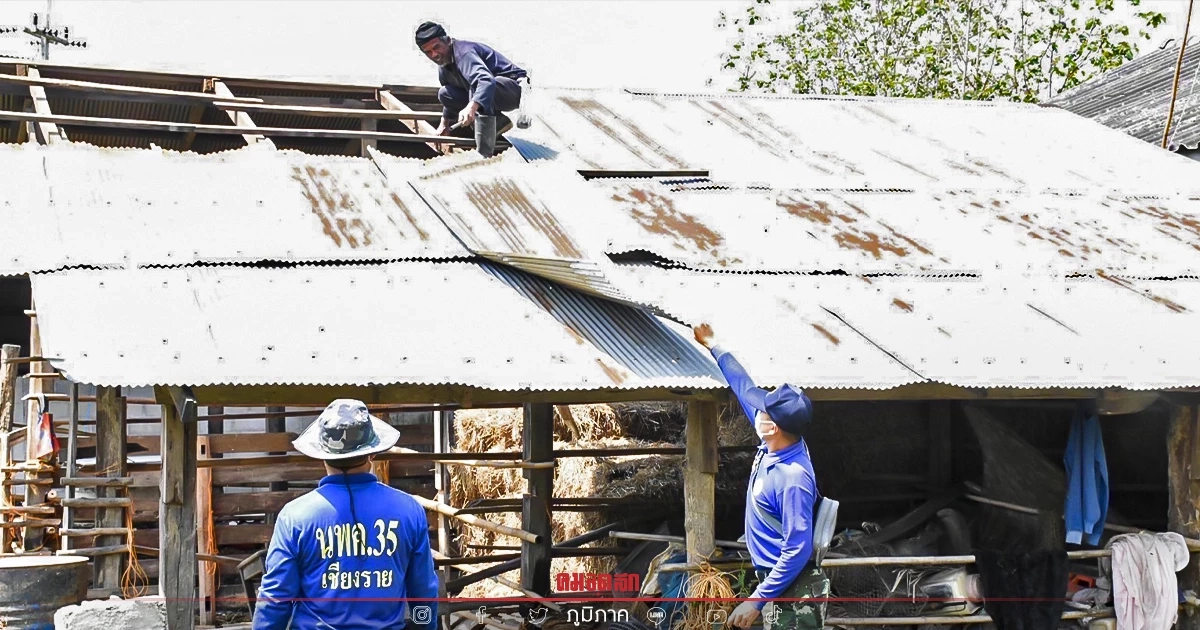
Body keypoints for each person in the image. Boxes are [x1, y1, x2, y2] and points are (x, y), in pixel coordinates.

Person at [253, 399, 439, 630]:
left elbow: (275, 599)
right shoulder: (409, 510)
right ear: (372, 453)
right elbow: (424, 593)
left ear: (322, 453)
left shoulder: (295, 517)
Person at [692, 324, 830, 630]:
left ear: (774, 427)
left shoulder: (793, 479)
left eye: (764, 412)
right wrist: (714, 345)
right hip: (776, 582)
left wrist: (756, 600)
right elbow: (744, 387)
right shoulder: (775, 443)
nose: (758, 413)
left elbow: (798, 549)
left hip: (796, 589)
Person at [414, 21, 528, 157]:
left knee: (476, 87)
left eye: (437, 47)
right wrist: (444, 124)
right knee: (445, 94)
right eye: (428, 52)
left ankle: (484, 153)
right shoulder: (444, 66)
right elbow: (450, 99)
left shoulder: (464, 54)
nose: (434, 54)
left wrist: (472, 107)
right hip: (490, 93)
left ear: (448, 41)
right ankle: (499, 121)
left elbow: (485, 81)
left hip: (516, 90)